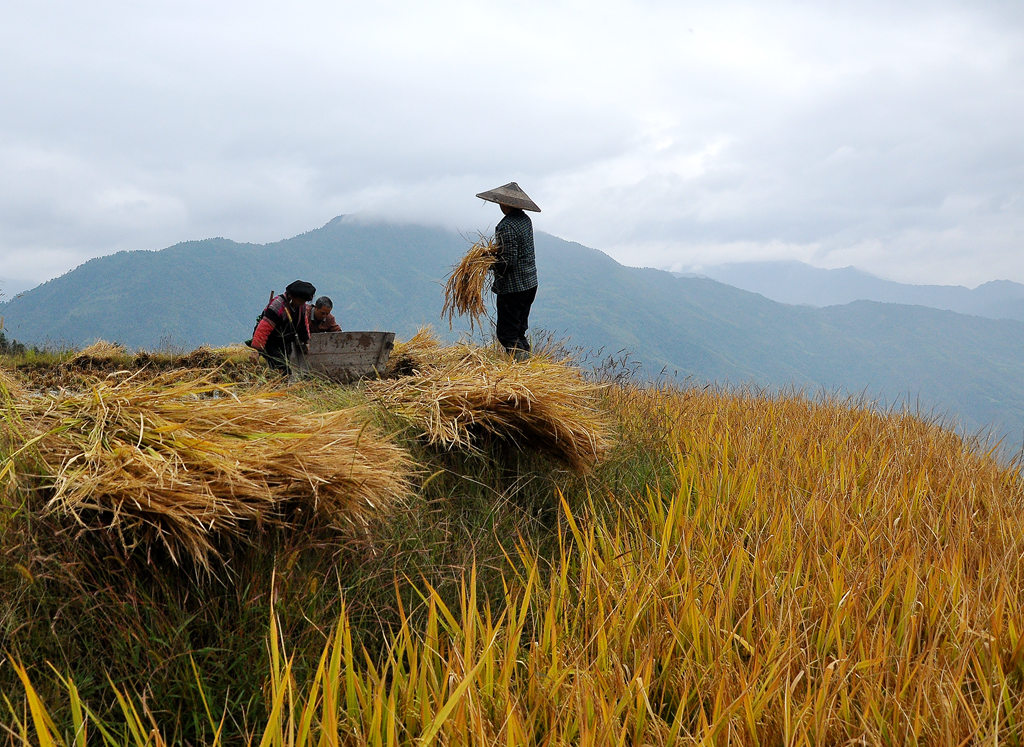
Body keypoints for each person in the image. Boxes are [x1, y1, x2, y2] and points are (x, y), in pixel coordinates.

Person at [475, 181, 541, 359]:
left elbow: (508, 261)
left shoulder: (506, 226)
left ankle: (521, 368)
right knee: (519, 329)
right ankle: (527, 364)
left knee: (507, 334)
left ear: (505, 204)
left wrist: (486, 263)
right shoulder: (525, 220)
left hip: (514, 288)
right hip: (530, 284)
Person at [249, 280, 316, 373]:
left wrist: (306, 341)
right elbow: (263, 329)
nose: (303, 303)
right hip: (271, 342)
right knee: (283, 369)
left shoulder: (301, 307)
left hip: (285, 341)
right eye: (301, 300)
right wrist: (256, 350)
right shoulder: (278, 305)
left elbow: (303, 325)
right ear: (293, 297)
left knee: (285, 364)